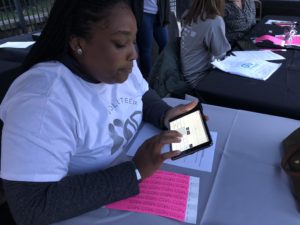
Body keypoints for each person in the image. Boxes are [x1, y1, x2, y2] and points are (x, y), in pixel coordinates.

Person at [0, 0, 199, 224]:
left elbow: (141, 95)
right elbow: (31, 207)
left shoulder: (116, 67)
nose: (133, 54)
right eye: (121, 43)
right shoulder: (43, 103)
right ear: (78, 44)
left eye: (133, 41)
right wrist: (134, 171)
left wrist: (165, 114)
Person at [180, 0, 231, 90]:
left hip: (187, 75)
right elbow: (221, 56)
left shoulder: (188, 14)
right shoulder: (214, 21)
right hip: (200, 79)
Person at [129, 0, 170, 78]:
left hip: (159, 14)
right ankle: (148, 77)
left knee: (165, 44)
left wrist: (165, 15)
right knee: (146, 49)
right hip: (144, 14)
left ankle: (161, 72)